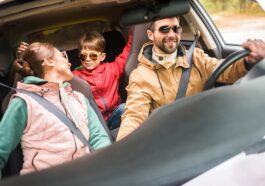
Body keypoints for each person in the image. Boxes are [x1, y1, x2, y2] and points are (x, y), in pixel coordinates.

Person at [116, 17, 265, 141]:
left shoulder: (196, 56)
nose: (171, 34)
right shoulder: (141, 75)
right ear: (150, 34)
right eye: (164, 29)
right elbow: (133, 118)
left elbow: (226, 71)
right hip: (175, 137)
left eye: (176, 29)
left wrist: (247, 62)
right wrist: (123, 152)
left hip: (207, 125)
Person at [0, 42, 111, 176]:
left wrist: (107, 169)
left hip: (87, 175)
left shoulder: (80, 98)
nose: (69, 62)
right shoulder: (24, 103)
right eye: (63, 56)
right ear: (49, 61)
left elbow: (99, 138)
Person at [72, 30, 132, 130]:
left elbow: (128, 52)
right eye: (83, 56)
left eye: (93, 55)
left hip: (115, 115)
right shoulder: (75, 76)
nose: (87, 59)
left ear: (102, 57)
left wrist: (134, 32)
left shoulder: (111, 69)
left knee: (125, 107)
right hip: (95, 122)